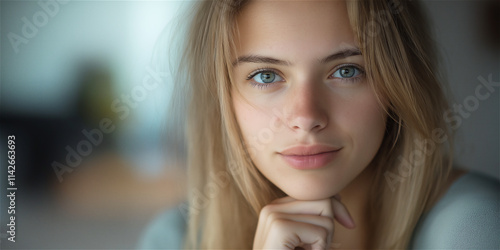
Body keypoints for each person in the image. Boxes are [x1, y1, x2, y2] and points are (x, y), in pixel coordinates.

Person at [139, 0, 500, 249]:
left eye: (346, 71)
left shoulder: (475, 227)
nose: (306, 117)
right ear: (222, 99)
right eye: (266, 76)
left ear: (398, 83)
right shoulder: (175, 239)